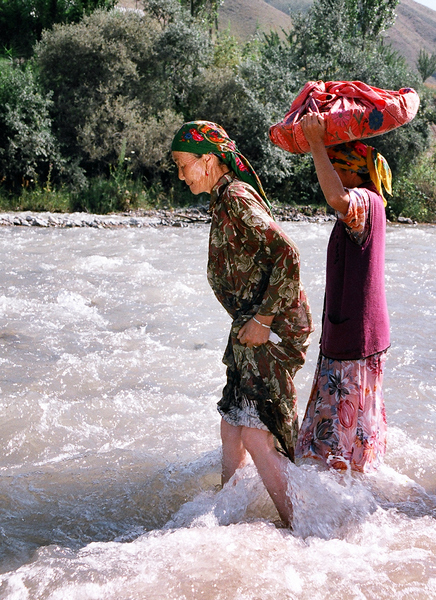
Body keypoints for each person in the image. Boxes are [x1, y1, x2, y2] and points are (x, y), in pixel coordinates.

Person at [171, 121, 312, 525]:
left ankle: (304, 528)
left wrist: (264, 319)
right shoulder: (222, 199)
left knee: (256, 433)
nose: (180, 175)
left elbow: (288, 253)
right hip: (250, 327)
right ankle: (227, 522)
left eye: (183, 165)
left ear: (208, 160)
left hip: (271, 328)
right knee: (232, 425)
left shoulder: (234, 197)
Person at [295, 112, 391, 473]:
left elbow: (336, 196)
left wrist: (316, 143)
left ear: (352, 173)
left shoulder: (364, 201)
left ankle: (343, 493)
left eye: (337, 168)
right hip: (353, 335)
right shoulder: (370, 204)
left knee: (341, 438)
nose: (332, 175)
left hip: (355, 341)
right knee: (351, 432)